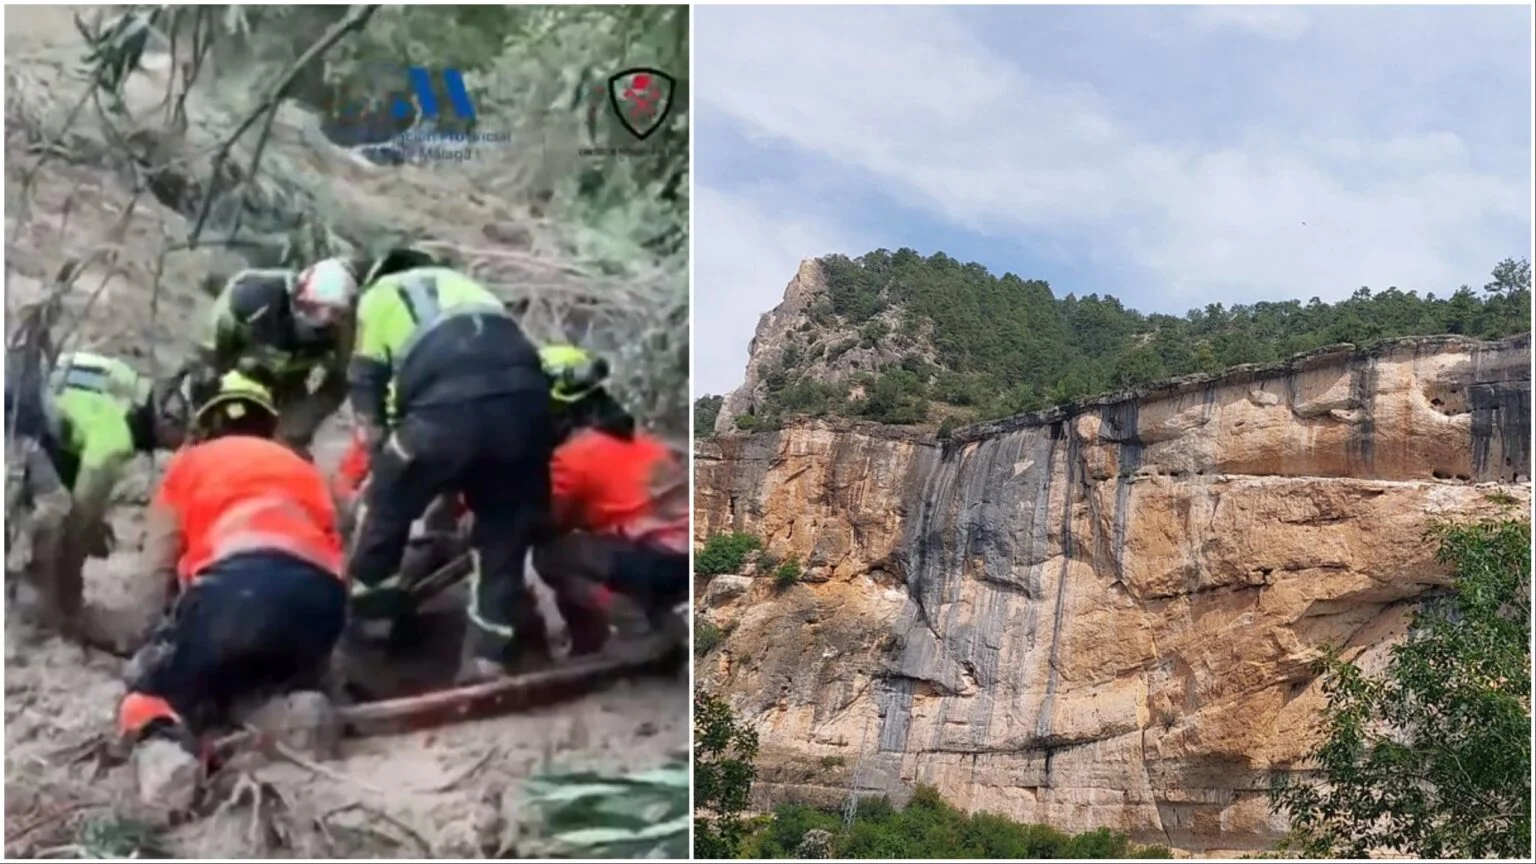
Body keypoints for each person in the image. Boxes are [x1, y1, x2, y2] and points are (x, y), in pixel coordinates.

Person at [117, 371, 347, 789]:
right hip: (319, 606)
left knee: (150, 692)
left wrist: (149, 644)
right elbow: (340, 545)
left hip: (233, 593)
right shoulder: (304, 468)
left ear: (207, 426)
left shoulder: (190, 463)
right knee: (254, 676)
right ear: (270, 424)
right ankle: (290, 714)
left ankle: (165, 761)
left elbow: (156, 569)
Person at [344, 247, 555, 682]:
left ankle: (370, 635)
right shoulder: (474, 292)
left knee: (384, 508)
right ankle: (487, 658)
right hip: (528, 411)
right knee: (504, 534)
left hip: (442, 415)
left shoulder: (380, 293)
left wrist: (384, 453)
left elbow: (365, 379)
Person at [5, 351, 189, 639]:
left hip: (33, 402)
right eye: (183, 437)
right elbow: (80, 514)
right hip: (16, 427)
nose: (180, 447)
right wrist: (70, 596)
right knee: (57, 512)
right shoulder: (115, 438)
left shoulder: (128, 380)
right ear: (169, 423)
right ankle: (40, 611)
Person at [532, 345, 689, 654]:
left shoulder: (573, 457)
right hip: (684, 558)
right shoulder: (646, 442)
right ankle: (655, 621)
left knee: (552, 556)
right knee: (601, 545)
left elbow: (548, 522)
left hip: (656, 562)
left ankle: (635, 630)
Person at [187, 257, 361, 455]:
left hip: (288, 391)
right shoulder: (250, 298)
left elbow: (337, 384)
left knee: (282, 455)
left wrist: (294, 429)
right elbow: (208, 354)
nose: (319, 319)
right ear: (298, 294)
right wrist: (207, 403)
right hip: (236, 377)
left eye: (333, 314)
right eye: (311, 308)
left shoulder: (342, 332)